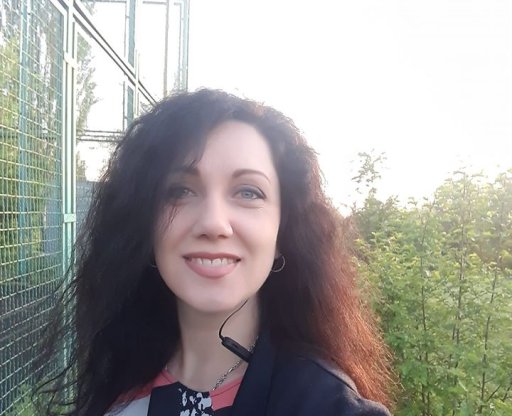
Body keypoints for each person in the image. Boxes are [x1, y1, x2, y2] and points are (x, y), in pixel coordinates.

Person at [36, 89, 395, 415]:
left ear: (282, 233)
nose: (213, 223)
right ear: (144, 222)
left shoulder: (328, 406)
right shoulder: (116, 378)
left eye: (248, 192)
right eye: (180, 190)